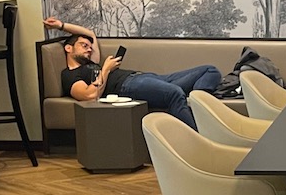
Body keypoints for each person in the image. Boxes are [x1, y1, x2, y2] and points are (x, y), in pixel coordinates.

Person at [46, 17, 221, 131]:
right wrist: (106, 69)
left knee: (209, 70)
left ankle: (197, 101)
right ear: (68, 48)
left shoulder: (92, 62)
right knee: (175, 93)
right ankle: (199, 141)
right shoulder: (70, 75)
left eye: (90, 47)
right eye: (84, 46)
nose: (90, 49)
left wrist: (61, 25)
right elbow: (89, 96)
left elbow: (89, 33)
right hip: (128, 86)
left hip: (146, 77)